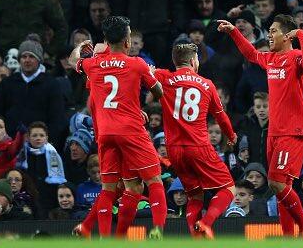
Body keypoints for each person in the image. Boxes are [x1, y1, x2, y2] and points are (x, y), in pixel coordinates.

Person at [217, 14, 303, 238]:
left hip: (292, 131)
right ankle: (288, 237)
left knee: (276, 182)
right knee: (281, 188)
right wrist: (234, 32)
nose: (269, 34)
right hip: (274, 132)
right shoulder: (271, 59)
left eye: (273, 31)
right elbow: (251, 53)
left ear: (287, 36)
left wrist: (301, 34)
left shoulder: (295, 56)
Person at [69, 16, 165, 239]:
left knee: (112, 188)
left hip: (105, 133)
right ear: (127, 41)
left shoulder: (92, 64)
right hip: (131, 131)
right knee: (154, 180)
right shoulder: (137, 63)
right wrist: (150, 74)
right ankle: (158, 229)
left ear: (104, 41)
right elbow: (158, 92)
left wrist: (80, 47)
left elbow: (74, 60)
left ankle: (105, 237)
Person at [154, 43, 237, 239]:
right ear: (193, 61)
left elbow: (143, 71)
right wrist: (231, 135)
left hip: (174, 150)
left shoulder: (164, 77)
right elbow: (221, 116)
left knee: (194, 195)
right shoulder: (206, 84)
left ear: (176, 62)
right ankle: (206, 223)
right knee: (228, 187)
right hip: (198, 146)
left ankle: (196, 238)